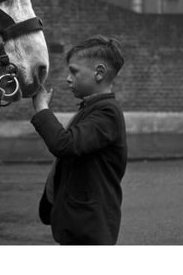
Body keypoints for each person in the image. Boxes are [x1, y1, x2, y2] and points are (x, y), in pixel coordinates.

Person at [31, 35, 127, 245]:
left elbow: (64, 144)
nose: (68, 78)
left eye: (74, 71)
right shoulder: (93, 108)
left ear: (99, 73)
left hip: (90, 228)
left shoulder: (107, 113)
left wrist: (42, 109)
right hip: (78, 224)